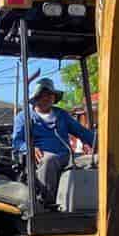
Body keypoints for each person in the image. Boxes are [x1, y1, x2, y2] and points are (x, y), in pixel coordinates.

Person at [11, 78, 95, 208]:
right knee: (50, 160)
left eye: (50, 95)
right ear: (36, 98)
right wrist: (29, 148)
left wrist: (98, 142)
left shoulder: (61, 115)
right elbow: (17, 141)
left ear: (54, 97)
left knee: (97, 160)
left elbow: (82, 132)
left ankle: (97, 203)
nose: (47, 98)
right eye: (43, 95)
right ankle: (47, 204)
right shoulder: (24, 117)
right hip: (42, 159)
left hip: (67, 157)